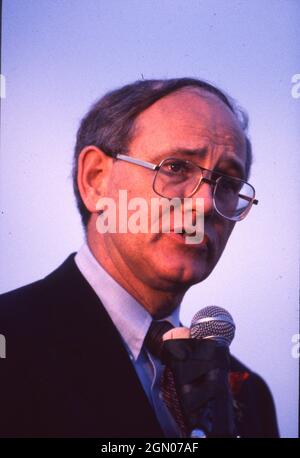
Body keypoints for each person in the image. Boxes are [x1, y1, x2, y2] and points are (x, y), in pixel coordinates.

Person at [0, 78, 279, 438]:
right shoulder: (12, 342)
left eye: (227, 184)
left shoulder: (248, 396)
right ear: (95, 180)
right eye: (176, 167)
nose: (205, 204)